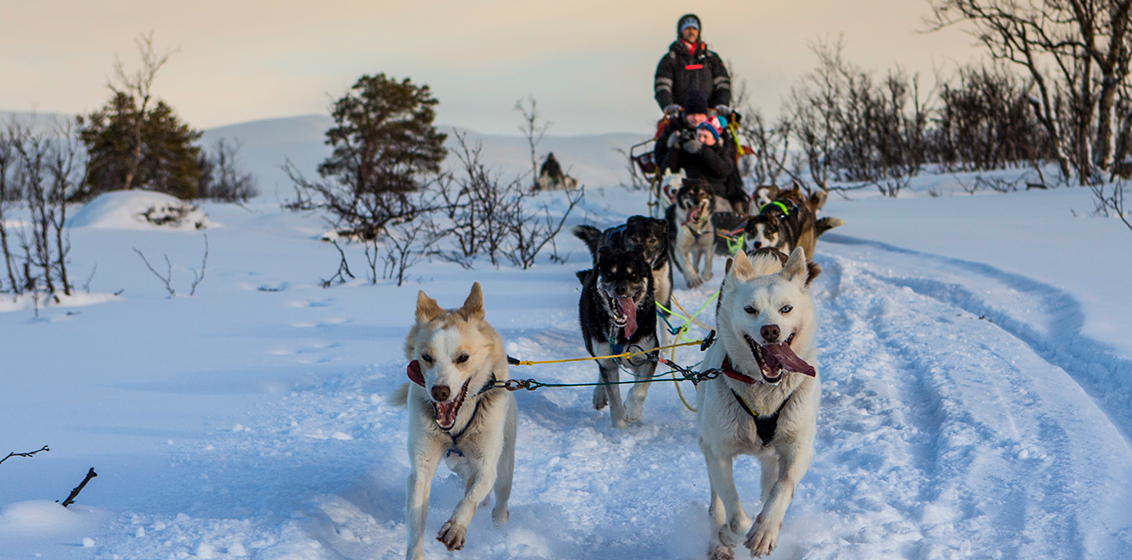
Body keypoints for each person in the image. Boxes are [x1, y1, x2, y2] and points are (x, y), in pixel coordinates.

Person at [656, 91, 747, 213]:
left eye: (700, 114)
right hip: (684, 194)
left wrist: (703, 150)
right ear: (685, 114)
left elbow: (725, 169)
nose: (696, 118)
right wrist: (675, 148)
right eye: (692, 114)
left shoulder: (719, 134)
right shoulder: (674, 130)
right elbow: (666, 169)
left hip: (715, 193)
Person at [653, 14, 732, 117]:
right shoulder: (670, 60)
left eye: (694, 29)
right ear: (681, 32)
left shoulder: (711, 59)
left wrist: (722, 103)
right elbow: (662, 86)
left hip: (710, 114)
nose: (691, 32)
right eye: (687, 29)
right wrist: (668, 105)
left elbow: (723, 84)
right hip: (680, 115)